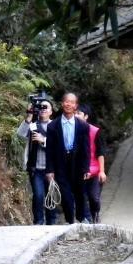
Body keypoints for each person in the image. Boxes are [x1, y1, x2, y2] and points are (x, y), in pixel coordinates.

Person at [45, 92, 90, 224]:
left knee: (80, 193)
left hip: (78, 164)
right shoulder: (52, 126)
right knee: (66, 195)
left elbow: (86, 149)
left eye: (71, 102)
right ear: (62, 103)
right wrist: (49, 170)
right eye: (66, 101)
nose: (68, 104)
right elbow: (50, 150)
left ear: (76, 105)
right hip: (61, 164)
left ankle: (81, 218)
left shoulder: (83, 126)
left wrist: (86, 168)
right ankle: (70, 221)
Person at [17, 99, 56, 225]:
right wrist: (29, 116)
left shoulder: (55, 126)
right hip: (36, 169)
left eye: (46, 107)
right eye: (41, 107)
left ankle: (51, 222)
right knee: (38, 196)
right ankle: (38, 222)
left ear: (51, 111)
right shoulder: (33, 125)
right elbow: (21, 134)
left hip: (51, 169)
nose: (43, 109)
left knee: (50, 196)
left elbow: (59, 146)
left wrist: (43, 140)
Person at [76, 104, 107, 223]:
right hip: (79, 171)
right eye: (74, 113)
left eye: (78, 113)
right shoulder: (71, 131)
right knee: (80, 197)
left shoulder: (95, 131)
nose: (75, 116)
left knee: (94, 197)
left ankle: (96, 214)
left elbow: (100, 152)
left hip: (94, 170)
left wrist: (102, 171)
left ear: (86, 116)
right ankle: (86, 220)